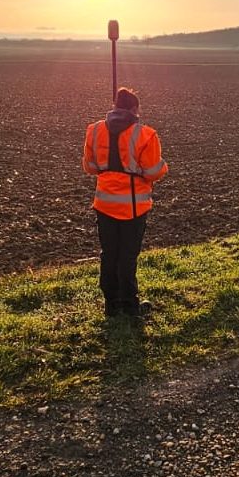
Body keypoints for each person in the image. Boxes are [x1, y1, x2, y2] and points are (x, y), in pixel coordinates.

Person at [83, 87, 168, 318]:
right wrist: (163, 166)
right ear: (134, 109)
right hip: (133, 207)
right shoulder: (146, 135)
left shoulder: (94, 130)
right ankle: (130, 306)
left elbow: (89, 167)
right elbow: (153, 172)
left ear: (114, 106)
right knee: (127, 256)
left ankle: (111, 304)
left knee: (109, 253)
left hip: (103, 204)